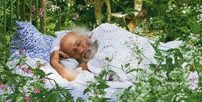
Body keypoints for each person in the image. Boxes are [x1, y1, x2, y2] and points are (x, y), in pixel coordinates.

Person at [50, 23, 181, 82]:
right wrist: (55, 62)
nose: (81, 50)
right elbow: (71, 77)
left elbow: (111, 52)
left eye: (79, 44)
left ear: (86, 35)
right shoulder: (88, 65)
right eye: (74, 52)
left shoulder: (105, 30)